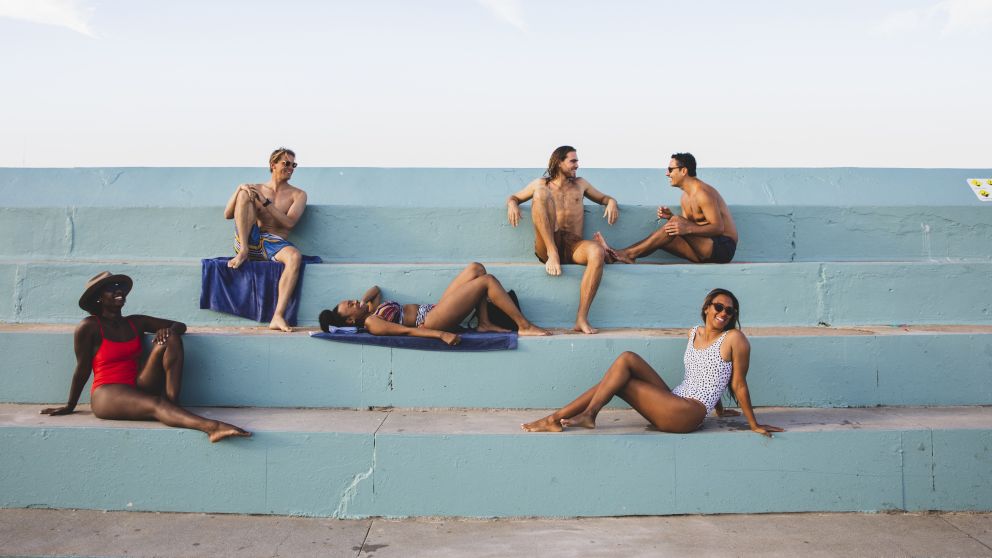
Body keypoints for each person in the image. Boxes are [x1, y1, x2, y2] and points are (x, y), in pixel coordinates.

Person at [521, 288, 782, 437]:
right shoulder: (694, 332)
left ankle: (579, 415)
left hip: (688, 414)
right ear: (706, 308)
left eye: (730, 311)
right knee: (627, 361)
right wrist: (721, 410)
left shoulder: (735, 338)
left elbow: (737, 383)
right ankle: (560, 418)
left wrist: (753, 424)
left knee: (621, 377)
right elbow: (706, 374)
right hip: (675, 400)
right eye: (719, 307)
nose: (724, 313)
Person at [41, 272, 251, 443]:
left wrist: (167, 331)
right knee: (155, 404)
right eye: (111, 288)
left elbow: (180, 325)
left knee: (171, 337)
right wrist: (70, 405)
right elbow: (82, 368)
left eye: (119, 286)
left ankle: (173, 404)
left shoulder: (136, 322)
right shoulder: (89, 326)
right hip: (108, 392)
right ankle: (213, 428)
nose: (119, 290)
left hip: (139, 383)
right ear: (99, 298)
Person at [506, 146, 620, 334]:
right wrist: (512, 204)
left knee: (596, 252)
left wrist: (612, 202)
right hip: (549, 241)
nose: (577, 165)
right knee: (541, 193)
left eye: (577, 161)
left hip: (574, 244)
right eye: (573, 161)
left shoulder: (581, 184)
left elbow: (604, 198)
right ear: (559, 162)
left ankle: (581, 319)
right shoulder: (541, 183)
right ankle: (553, 253)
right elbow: (515, 197)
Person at [319, 262, 550, 344]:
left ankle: (484, 323)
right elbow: (407, 332)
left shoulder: (372, 309)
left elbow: (375, 289)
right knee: (486, 281)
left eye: (351, 300)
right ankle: (524, 326)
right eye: (350, 305)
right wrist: (441, 335)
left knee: (476, 269)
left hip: (434, 309)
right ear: (351, 320)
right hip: (430, 322)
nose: (354, 302)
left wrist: (362, 301)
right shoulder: (372, 323)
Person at [595, 152, 738, 264]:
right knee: (662, 238)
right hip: (702, 251)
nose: (667, 173)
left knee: (675, 223)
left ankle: (626, 254)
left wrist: (683, 225)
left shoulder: (703, 193)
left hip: (723, 248)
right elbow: (688, 228)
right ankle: (621, 256)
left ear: (683, 171)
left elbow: (718, 228)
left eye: (670, 169)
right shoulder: (685, 197)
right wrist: (671, 218)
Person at [223, 147, 308, 332]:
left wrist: (265, 202)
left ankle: (278, 316)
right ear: (273, 165)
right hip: (250, 239)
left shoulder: (298, 195)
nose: (290, 168)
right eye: (286, 163)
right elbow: (227, 214)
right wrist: (239, 188)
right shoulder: (257, 188)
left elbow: (289, 223)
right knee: (245, 193)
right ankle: (243, 251)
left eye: (293, 165)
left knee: (295, 256)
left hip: (275, 243)